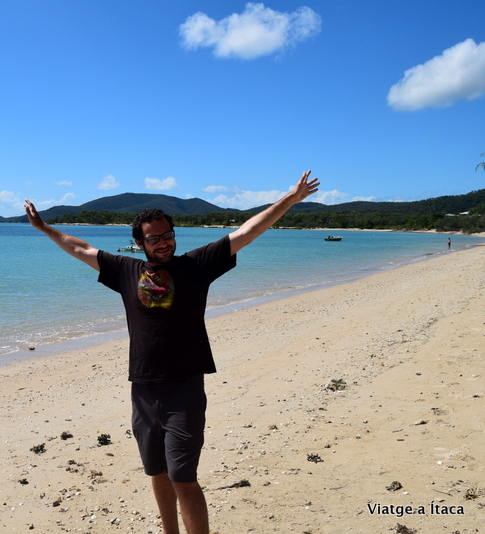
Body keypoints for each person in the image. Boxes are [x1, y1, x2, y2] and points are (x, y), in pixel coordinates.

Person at [24, 170, 320, 534]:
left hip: (184, 389)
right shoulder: (125, 270)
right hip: (143, 389)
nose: (163, 243)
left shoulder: (196, 266)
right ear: (139, 242)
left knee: (183, 477)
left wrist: (290, 199)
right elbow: (80, 248)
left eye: (168, 235)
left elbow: (246, 232)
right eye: (154, 239)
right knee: (157, 472)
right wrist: (44, 228)